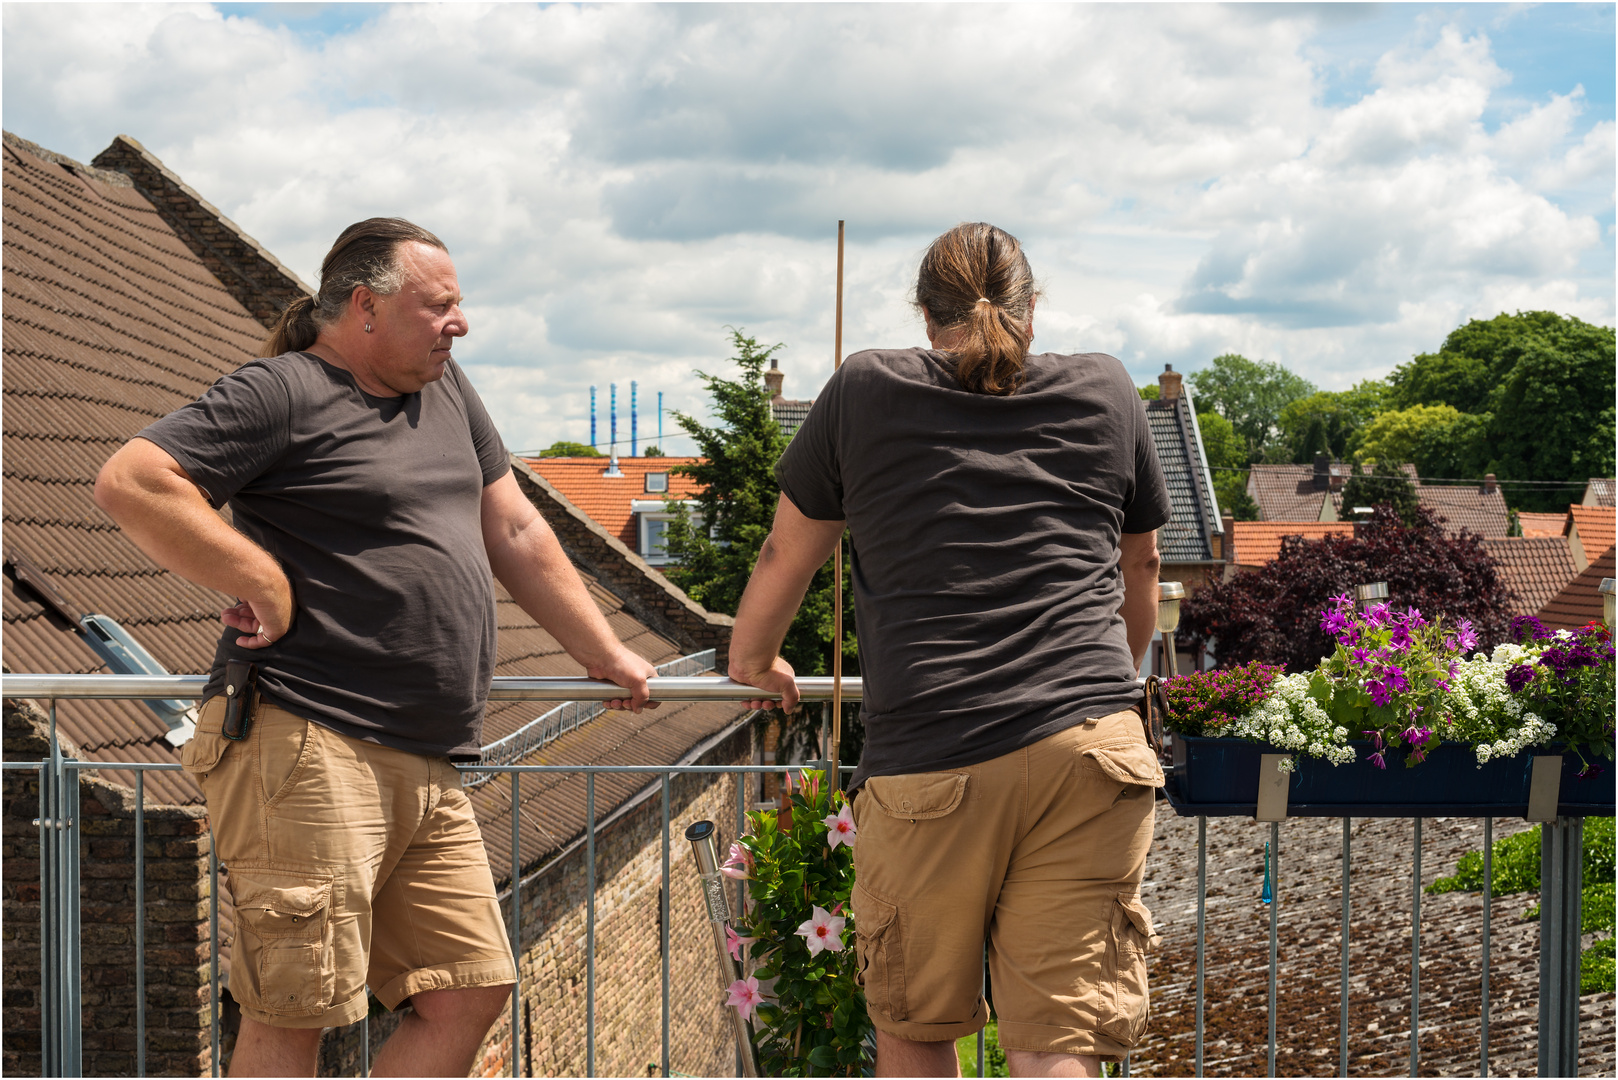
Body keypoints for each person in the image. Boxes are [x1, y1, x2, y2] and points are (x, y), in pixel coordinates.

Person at [94, 218, 657, 1077]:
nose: (458, 325)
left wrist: (604, 651)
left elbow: (512, 526)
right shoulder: (281, 392)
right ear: (365, 307)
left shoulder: (447, 390)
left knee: (468, 989)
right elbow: (132, 481)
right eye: (440, 307)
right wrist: (261, 577)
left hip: (428, 757)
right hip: (311, 743)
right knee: (296, 1011)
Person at [728, 223, 1171, 1078]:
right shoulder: (1109, 389)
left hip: (935, 756)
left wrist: (753, 662)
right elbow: (1142, 563)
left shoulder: (863, 389)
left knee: (921, 1030)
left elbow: (788, 552)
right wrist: (1108, 679)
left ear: (925, 316)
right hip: (1091, 751)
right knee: (1056, 1041)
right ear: (1031, 310)